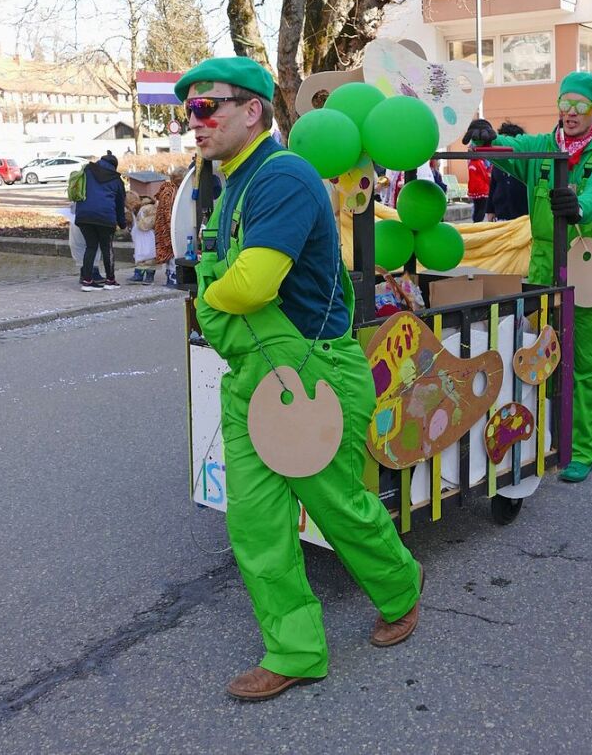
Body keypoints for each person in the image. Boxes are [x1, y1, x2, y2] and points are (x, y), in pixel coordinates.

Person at [176, 56, 422, 702]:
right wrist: (214, 285)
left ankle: (400, 589)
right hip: (250, 378)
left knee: (339, 508)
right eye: (189, 111)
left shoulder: (281, 176)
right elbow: (229, 279)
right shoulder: (231, 184)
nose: (195, 122)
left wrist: (206, 295)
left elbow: (254, 281)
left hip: (311, 374)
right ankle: (295, 647)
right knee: (254, 523)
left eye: (208, 107)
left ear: (252, 109)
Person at [464, 71, 592, 484]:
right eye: (565, 104)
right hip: (542, 271)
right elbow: (508, 149)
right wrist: (486, 140)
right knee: (537, 361)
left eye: (580, 107)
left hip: (591, 273)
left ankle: (581, 450)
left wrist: (580, 206)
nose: (570, 113)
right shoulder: (542, 146)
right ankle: (541, 440)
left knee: (586, 364)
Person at [74, 152, 126, 291]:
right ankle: (110, 280)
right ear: (114, 166)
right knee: (106, 248)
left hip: (83, 216)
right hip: (105, 217)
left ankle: (87, 281)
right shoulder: (116, 179)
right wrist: (122, 223)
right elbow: (120, 204)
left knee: (90, 247)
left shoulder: (87, 171)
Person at [485, 122, 529, 222]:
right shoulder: (498, 164)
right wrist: (490, 210)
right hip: (501, 214)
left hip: (523, 217)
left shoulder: (526, 164)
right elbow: (493, 187)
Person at [155, 166, 188, 287]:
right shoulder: (170, 192)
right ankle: (172, 278)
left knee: (171, 252)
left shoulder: (169, 190)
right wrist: (174, 229)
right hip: (169, 227)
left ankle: (171, 277)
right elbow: (169, 212)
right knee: (172, 251)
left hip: (166, 226)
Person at [466, 155, 491, 221]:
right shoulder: (479, 162)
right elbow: (485, 175)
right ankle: (478, 223)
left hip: (474, 189)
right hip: (482, 189)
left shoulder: (470, 164)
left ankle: (475, 222)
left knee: (477, 208)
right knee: (482, 208)